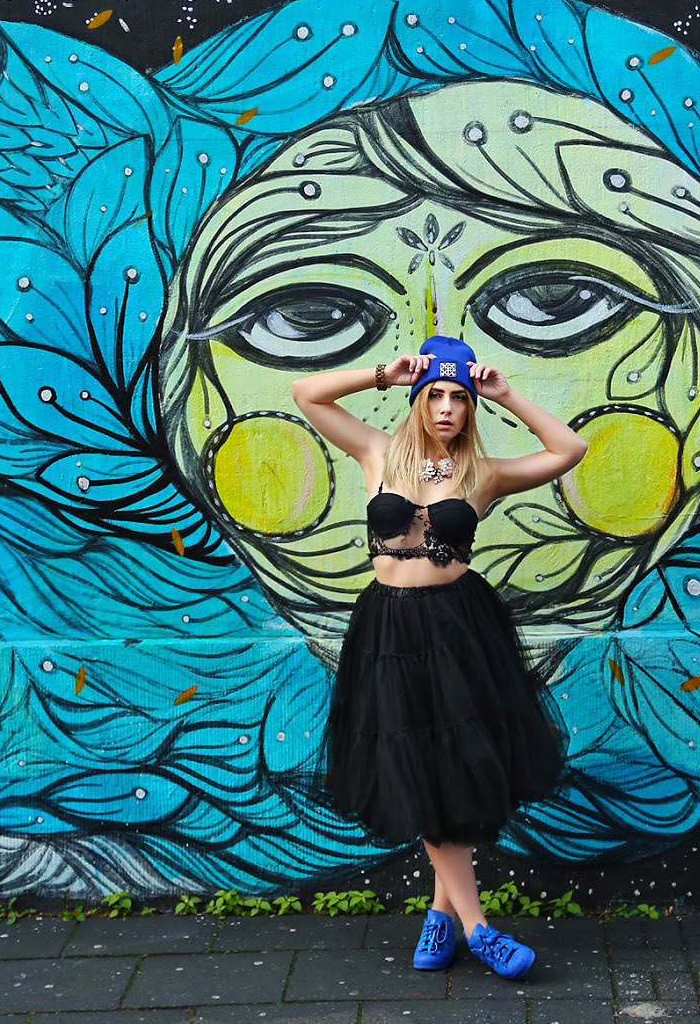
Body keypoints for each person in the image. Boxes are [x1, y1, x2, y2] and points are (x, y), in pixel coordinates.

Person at [290, 334, 587, 981]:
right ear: (419, 399)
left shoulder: (485, 473)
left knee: (450, 771)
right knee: (422, 768)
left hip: (457, 631)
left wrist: (507, 393)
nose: (448, 406)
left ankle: (452, 919)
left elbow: (571, 449)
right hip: (389, 634)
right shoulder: (377, 451)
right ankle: (469, 924)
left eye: (460, 396)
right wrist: (381, 373)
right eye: (436, 394)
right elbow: (304, 392)